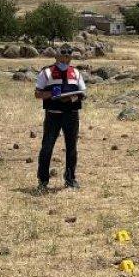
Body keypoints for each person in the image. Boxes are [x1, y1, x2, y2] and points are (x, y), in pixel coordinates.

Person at [34, 44, 87, 191]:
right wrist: (52, 95)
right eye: (63, 55)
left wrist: (71, 98)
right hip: (53, 115)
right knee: (47, 147)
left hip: (71, 115)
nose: (66, 58)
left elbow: (82, 94)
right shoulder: (46, 72)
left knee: (71, 147)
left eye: (69, 56)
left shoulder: (76, 72)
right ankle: (43, 180)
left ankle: (70, 179)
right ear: (56, 56)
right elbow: (37, 94)